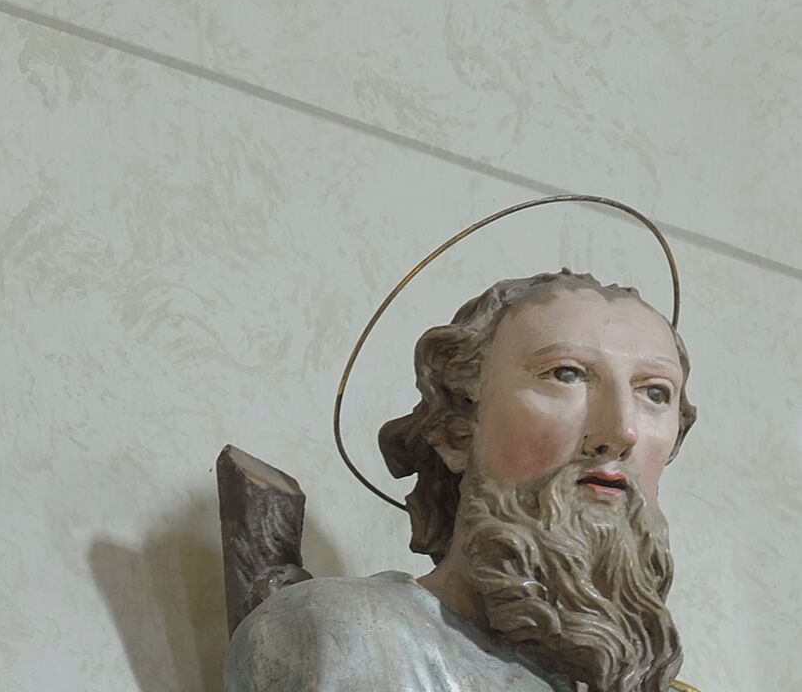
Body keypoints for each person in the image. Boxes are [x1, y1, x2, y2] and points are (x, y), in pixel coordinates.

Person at [229, 274, 694, 692]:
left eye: (655, 392)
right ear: (457, 432)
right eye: (566, 375)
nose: (620, 432)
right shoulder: (355, 634)